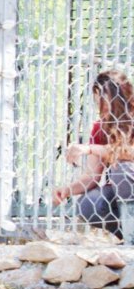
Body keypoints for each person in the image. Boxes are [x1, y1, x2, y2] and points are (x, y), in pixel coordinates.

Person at [53, 69, 134, 238]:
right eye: (97, 102)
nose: (101, 108)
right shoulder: (100, 128)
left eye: (104, 101)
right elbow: (91, 176)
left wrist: (90, 148)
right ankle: (128, 235)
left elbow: (130, 154)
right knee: (89, 204)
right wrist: (67, 190)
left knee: (122, 170)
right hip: (121, 192)